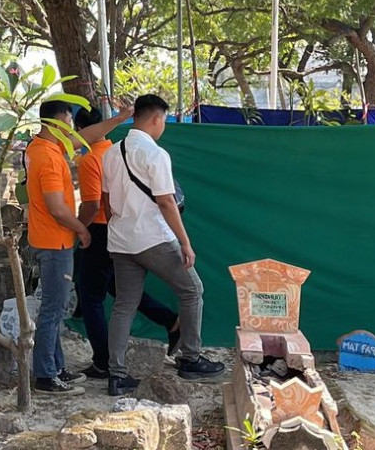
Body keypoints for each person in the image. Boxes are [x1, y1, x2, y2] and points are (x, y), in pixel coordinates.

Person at [102, 95, 225, 396]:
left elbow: (105, 202)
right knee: (192, 290)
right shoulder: (155, 154)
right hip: (153, 237)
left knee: (124, 305)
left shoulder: (111, 152)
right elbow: (167, 202)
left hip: (120, 239)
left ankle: (117, 375)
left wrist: (120, 223)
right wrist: (185, 242)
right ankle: (191, 358)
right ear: (157, 119)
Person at [25, 100, 132, 395]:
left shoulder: (43, 147)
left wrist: (121, 118)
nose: (73, 130)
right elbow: (57, 207)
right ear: (55, 124)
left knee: (55, 308)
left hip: (49, 238)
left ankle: (56, 367)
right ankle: (46, 375)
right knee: (53, 309)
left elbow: (89, 134)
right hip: (54, 241)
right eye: (68, 124)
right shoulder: (48, 157)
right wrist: (82, 229)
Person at [72, 106, 181, 381]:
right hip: (123, 230)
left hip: (99, 231)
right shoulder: (114, 151)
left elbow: (94, 203)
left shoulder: (89, 161)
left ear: (80, 130)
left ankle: (103, 361)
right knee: (120, 290)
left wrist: (77, 228)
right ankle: (169, 320)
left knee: (92, 298)